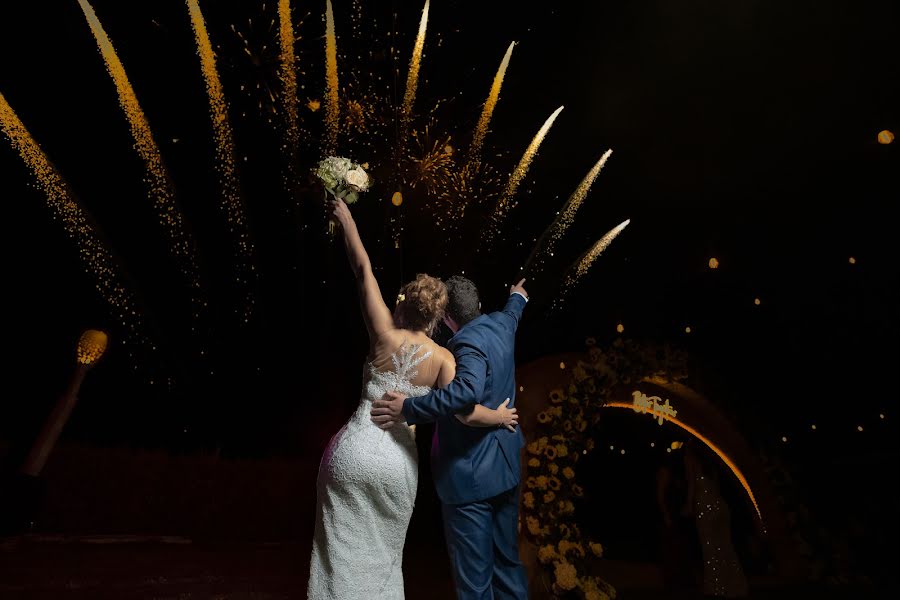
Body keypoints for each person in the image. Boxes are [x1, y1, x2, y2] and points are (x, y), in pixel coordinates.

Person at [307, 199, 519, 599]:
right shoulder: (444, 359)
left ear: (403, 301)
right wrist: (500, 416)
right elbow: (466, 413)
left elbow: (362, 268)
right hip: (395, 466)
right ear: (437, 318)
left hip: (350, 454)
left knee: (337, 551)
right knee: (384, 560)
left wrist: (348, 219)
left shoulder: (383, 332)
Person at [371, 275, 530, 599]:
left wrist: (408, 408)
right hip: (506, 468)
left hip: (470, 477)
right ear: (480, 305)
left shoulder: (465, 345)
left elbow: (464, 395)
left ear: (446, 316)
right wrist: (518, 296)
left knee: (474, 582)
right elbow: (514, 311)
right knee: (508, 566)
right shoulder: (502, 323)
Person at [683, 441, 750, 598]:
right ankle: (735, 586)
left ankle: (718, 587)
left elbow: (692, 484)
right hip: (720, 505)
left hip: (704, 504)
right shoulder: (710, 460)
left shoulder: (690, 459)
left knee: (710, 548)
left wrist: (688, 504)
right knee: (726, 545)